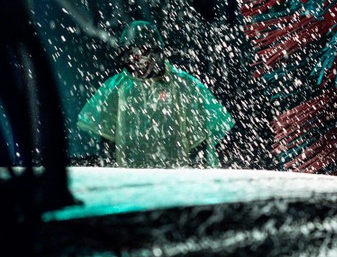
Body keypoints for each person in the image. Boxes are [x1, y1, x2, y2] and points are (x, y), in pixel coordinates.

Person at [78, 20, 234, 168]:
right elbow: (107, 141)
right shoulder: (116, 88)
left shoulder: (184, 86)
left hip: (177, 178)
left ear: (158, 53)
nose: (137, 59)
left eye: (143, 52)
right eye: (131, 53)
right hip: (130, 179)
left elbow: (200, 141)